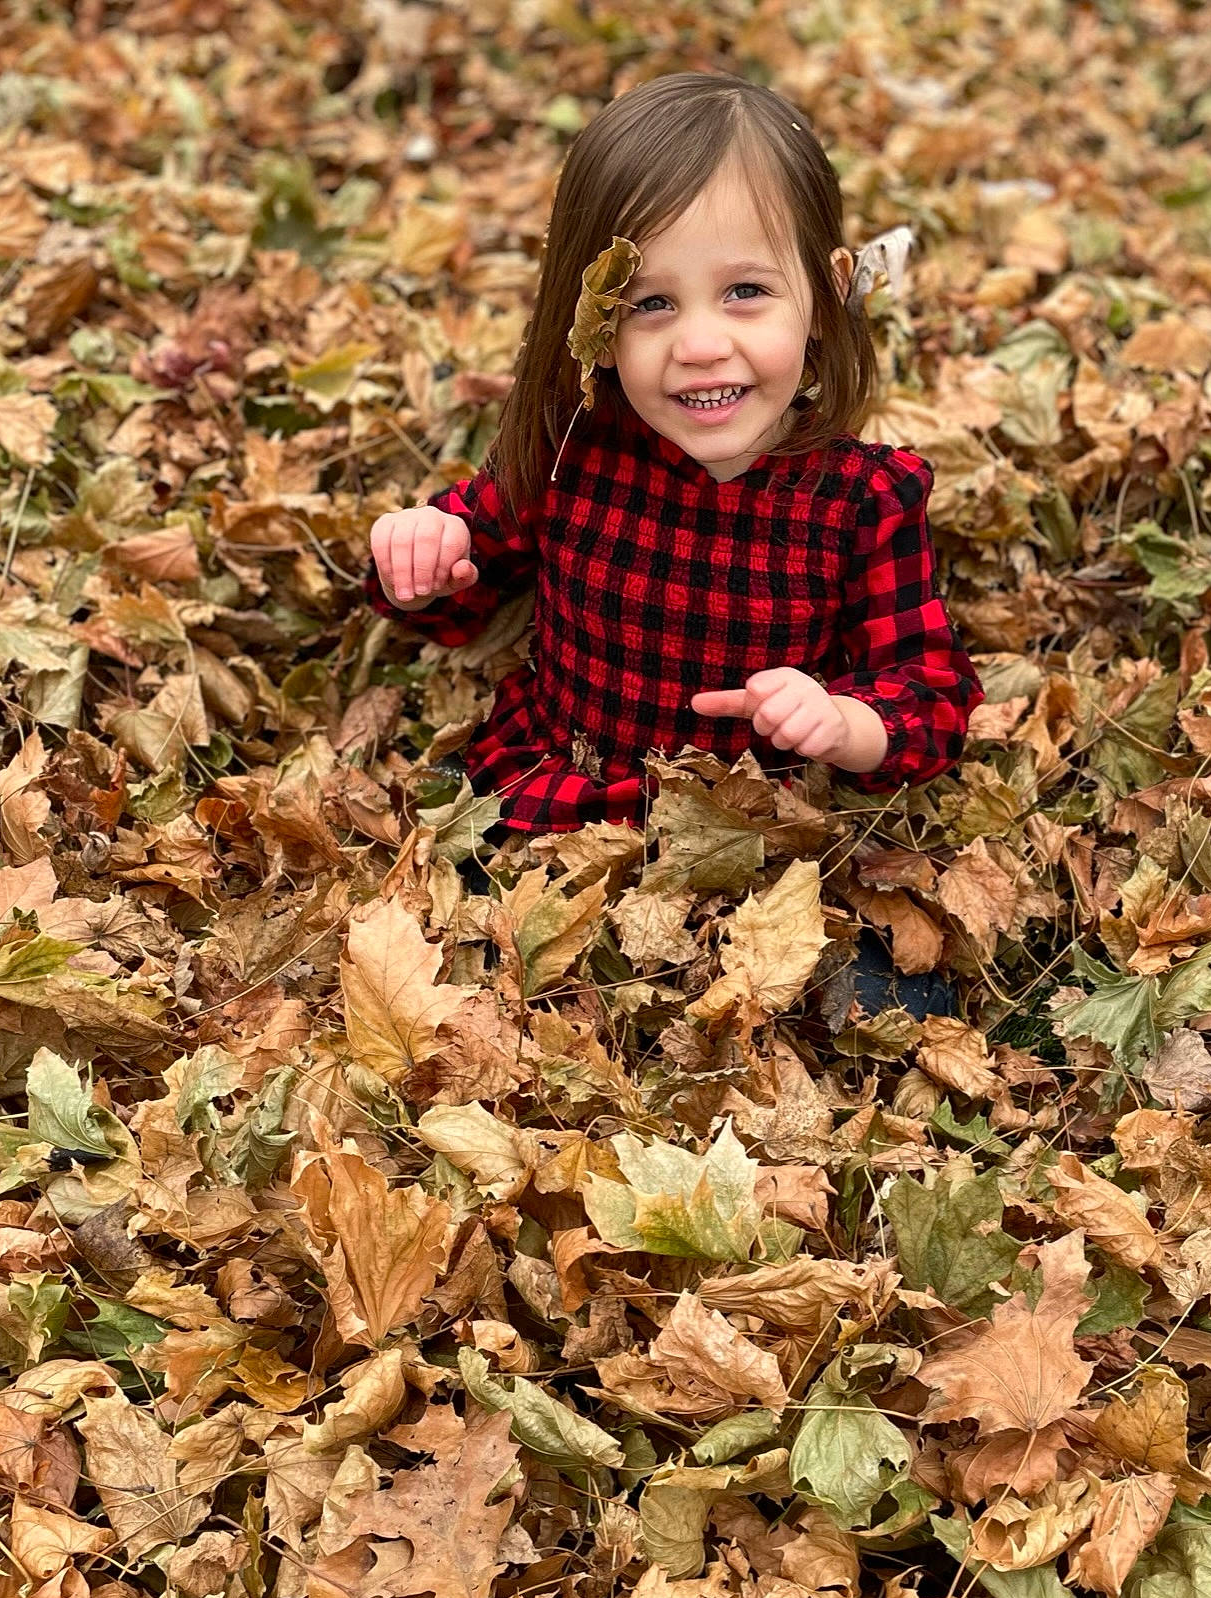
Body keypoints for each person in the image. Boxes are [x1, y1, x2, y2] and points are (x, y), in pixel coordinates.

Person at [361, 72, 983, 1016]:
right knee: (464, 940)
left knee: (860, 987)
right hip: (570, 777)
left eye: (744, 292)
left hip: (755, 819)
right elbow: (461, 587)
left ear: (820, 297)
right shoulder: (577, 446)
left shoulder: (860, 498)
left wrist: (843, 721)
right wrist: (421, 551)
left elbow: (928, 697)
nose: (698, 344)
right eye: (650, 303)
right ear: (590, 321)